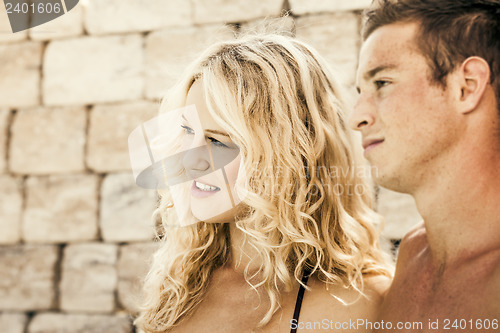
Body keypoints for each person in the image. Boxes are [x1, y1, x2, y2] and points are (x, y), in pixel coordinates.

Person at [132, 33, 393, 332]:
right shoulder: (177, 283)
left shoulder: (360, 302)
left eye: (218, 142)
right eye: (186, 132)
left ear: (290, 156)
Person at [350, 0, 500, 331]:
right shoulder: (412, 258)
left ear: (467, 87)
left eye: (383, 83)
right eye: (360, 91)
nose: (356, 117)